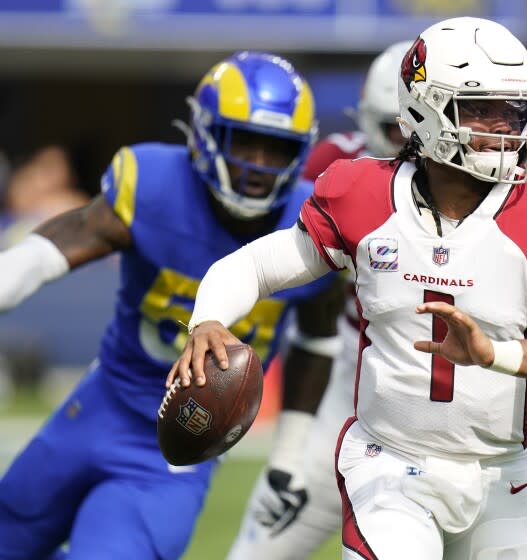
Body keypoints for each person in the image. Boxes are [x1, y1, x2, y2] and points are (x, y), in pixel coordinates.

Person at [171, 17, 527, 560]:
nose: (506, 128)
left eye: (515, 111)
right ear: (426, 109)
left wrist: (495, 353)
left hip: (500, 476)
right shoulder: (361, 193)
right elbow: (253, 267)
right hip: (389, 464)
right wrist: (208, 320)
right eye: (483, 109)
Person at [0, 51, 342, 559]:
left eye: (276, 148)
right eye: (243, 140)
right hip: (99, 407)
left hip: (177, 451)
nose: (258, 164)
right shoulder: (156, 185)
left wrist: (289, 454)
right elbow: (55, 246)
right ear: (204, 133)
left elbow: (318, 338)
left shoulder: (314, 220)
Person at [227, 40, 412, 560]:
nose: (409, 145)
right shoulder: (334, 166)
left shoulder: (491, 187)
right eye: (396, 128)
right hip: (347, 387)